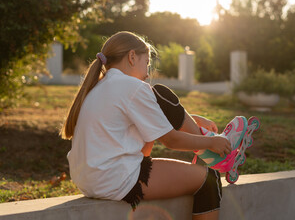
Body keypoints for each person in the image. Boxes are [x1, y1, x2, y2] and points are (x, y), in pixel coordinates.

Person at [61, 31, 233, 220]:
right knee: (209, 180)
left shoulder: (99, 86)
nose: (147, 72)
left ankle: (210, 144)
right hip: (115, 179)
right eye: (147, 64)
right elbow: (171, 141)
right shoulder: (132, 87)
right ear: (132, 57)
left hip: (88, 179)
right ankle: (219, 152)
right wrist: (211, 143)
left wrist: (192, 119)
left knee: (159, 98)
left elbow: (144, 122)